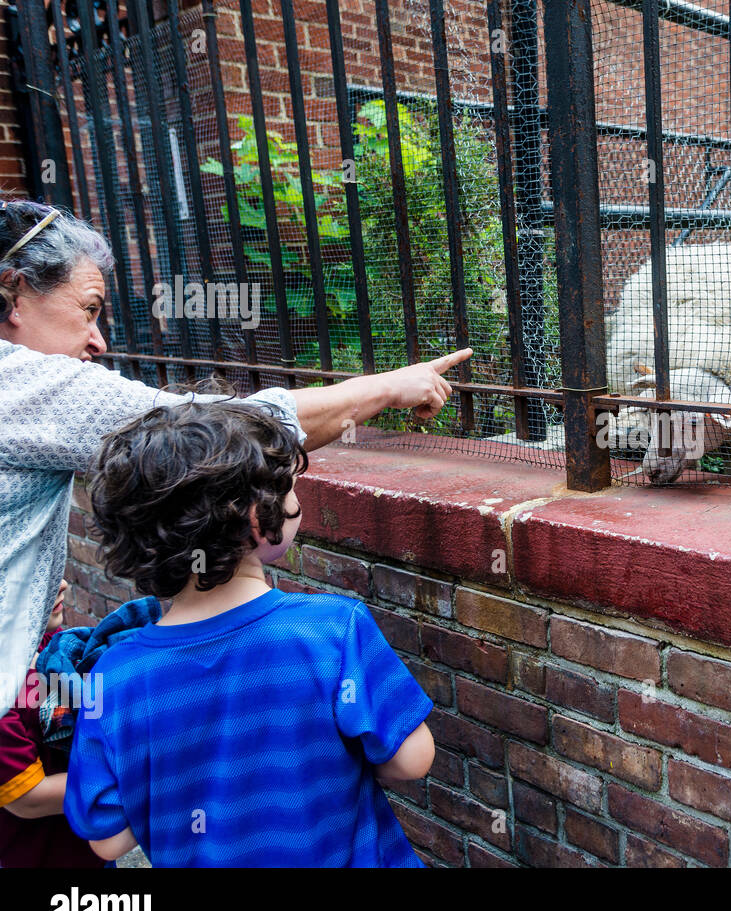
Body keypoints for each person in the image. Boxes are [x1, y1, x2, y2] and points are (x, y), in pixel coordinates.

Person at [0, 196, 471, 715]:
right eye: (88, 309)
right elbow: (217, 432)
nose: (99, 340)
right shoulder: (21, 382)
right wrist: (389, 387)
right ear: (15, 292)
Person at [64, 401, 435, 866]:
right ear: (258, 519)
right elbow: (412, 759)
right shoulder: (329, 629)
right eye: (290, 490)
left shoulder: (112, 677)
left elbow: (109, 838)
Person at [0, 580, 109, 867]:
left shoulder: (44, 639)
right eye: (35, 574)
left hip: (88, 845)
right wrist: (134, 774)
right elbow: (29, 798)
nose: (61, 583)